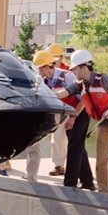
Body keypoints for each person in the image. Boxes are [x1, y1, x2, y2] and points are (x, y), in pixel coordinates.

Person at [54, 50, 108, 199]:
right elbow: (63, 93)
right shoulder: (79, 85)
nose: (73, 72)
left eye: (75, 69)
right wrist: (46, 92)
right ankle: (103, 194)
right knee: (101, 161)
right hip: (104, 125)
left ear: (83, 67)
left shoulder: (104, 79)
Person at [33, 50, 95, 190]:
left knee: (73, 147)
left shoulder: (67, 76)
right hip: (67, 114)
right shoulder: (44, 81)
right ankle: (88, 182)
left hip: (80, 112)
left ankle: (69, 184)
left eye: (38, 68)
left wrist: (74, 117)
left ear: (44, 67)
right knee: (78, 147)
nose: (38, 72)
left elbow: (83, 100)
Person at [43, 44, 68, 176]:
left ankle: (74, 166)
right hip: (56, 110)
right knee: (57, 138)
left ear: (61, 58)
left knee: (70, 140)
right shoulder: (45, 74)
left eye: (55, 58)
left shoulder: (68, 72)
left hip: (70, 110)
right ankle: (59, 165)